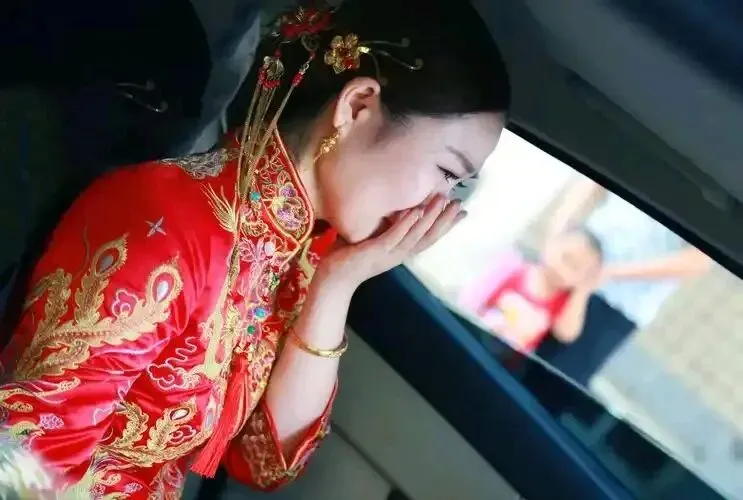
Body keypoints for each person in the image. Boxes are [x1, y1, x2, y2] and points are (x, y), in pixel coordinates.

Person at [0, 0, 511, 497]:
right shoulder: (170, 224)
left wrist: (336, 286)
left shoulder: (300, 254)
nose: (437, 206)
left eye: (457, 187)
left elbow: (264, 460)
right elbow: (25, 468)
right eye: (446, 171)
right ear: (357, 105)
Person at [539, 175, 712, 385]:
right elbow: (591, 177)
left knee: (555, 381)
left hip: (617, 303)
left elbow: (698, 261)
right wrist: (557, 230)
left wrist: (612, 272)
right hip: (571, 268)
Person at [460, 227, 603, 353]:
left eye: (575, 268)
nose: (564, 270)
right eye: (565, 257)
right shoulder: (514, 267)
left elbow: (567, 334)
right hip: (471, 338)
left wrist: (582, 292)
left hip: (501, 362)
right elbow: (471, 298)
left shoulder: (563, 302)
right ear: (551, 245)